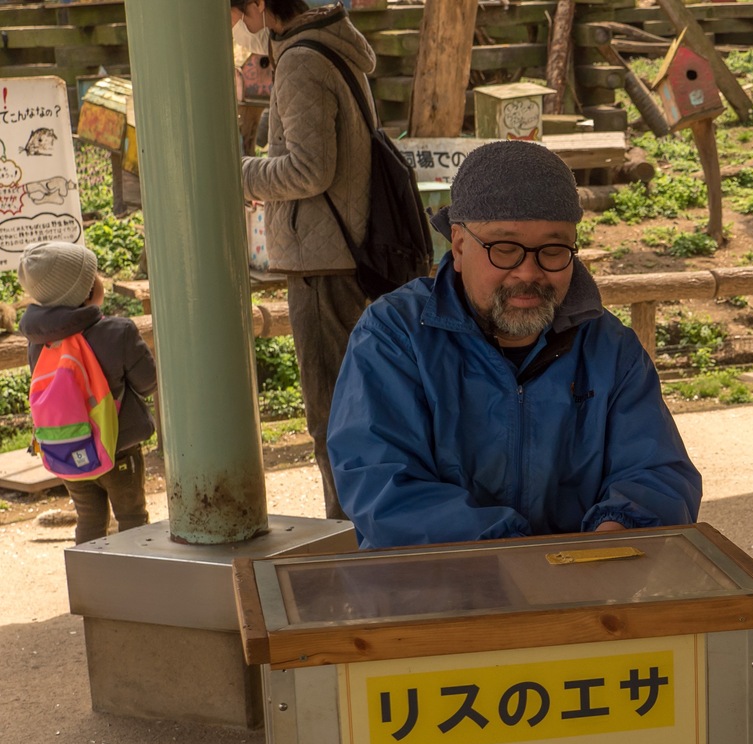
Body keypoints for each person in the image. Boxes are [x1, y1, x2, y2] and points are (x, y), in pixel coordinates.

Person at [326, 141, 702, 549]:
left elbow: (657, 472)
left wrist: (618, 533)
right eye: (504, 248)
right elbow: (380, 484)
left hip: (579, 590)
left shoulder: (610, 348)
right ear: (458, 244)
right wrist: (519, 555)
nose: (528, 271)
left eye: (553, 250)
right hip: (434, 587)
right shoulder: (394, 335)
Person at [232, 0, 376, 520]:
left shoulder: (299, 60)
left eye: (234, 17)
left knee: (330, 411)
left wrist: (239, 174)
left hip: (323, 262)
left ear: (258, 6)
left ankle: (348, 530)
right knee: (352, 406)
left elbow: (310, 171)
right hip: (341, 254)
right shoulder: (332, 45)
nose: (236, 31)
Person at [19, 242, 157, 545]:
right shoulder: (117, 332)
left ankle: (90, 587)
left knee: (90, 521)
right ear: (84, 291)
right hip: (118, 448)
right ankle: (138, 584)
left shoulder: (36, 343)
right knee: (132, 518)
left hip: (66, 450)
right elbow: (149, 383)